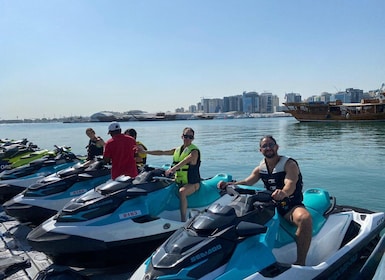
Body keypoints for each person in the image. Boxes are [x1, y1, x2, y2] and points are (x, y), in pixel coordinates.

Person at [217, 135, 312, 266]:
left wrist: (283, 192)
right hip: (270, 206)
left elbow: (290, 184)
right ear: (260, 150)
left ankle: (301, 262)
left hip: (289, 205)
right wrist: (229, 184)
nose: (268, 148)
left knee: (305, 219)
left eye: (271, 145)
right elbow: (247, 182)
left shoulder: (289, 164)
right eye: (264, 146)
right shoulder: (260, 168)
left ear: (277, 147)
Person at [143, 127, 201, 222]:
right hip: (178, 180)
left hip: (193, 183)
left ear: (193, 139)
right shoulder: (178, 150)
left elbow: (185, 161)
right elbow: (162, 152)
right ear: (182, 136)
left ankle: (183, 220)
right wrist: (145, 152)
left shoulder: (194, 152)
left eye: (190, 137)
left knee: (182, 192)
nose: (187, 139)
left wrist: (173, 169)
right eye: (186, 136)